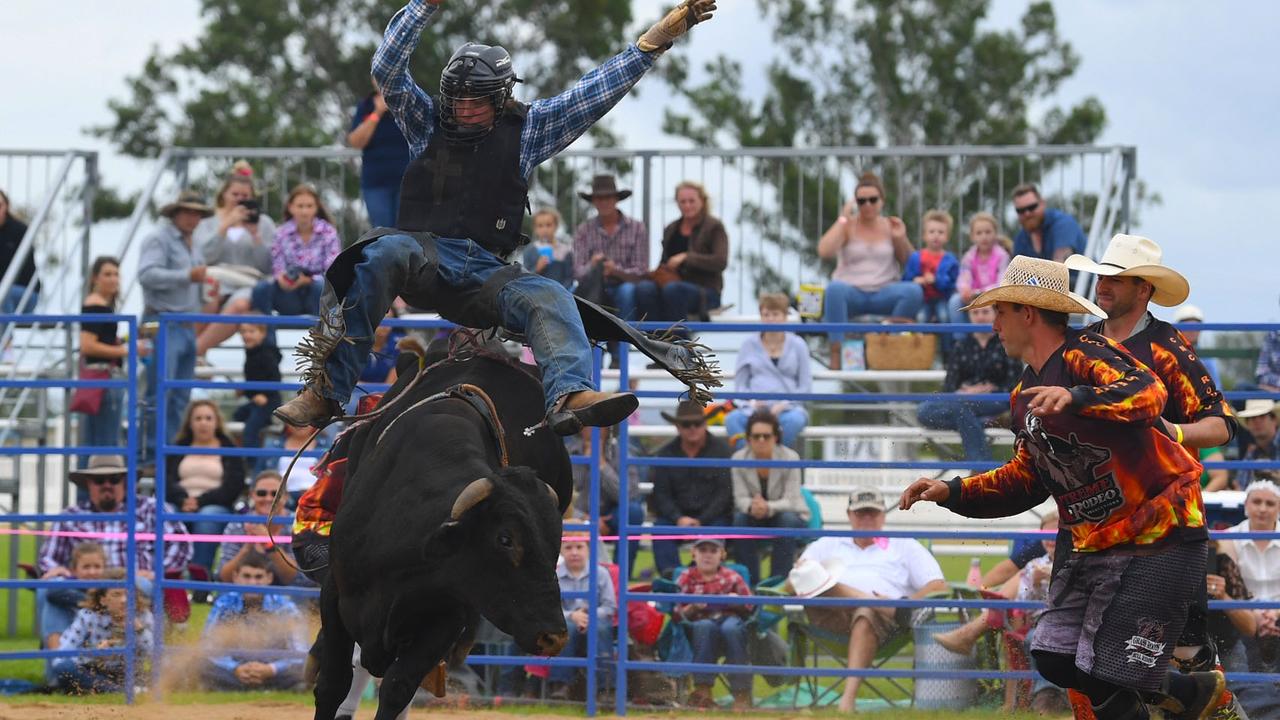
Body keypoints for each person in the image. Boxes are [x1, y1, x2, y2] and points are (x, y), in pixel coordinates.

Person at [273, 0, 719, 433]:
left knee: (549, 294)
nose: (464, 109)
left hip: (489, 271)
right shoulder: (424, 119)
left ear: (501, 97)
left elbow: (591, 95)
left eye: (477, 102)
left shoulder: (529, 129)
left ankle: (569, 397)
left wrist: (649, 45)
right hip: (422, 254)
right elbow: (387, 68)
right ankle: (326, 391)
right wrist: (423, 6)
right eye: (457, 99)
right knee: (383, 250)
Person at [899, 256, 1233, 720]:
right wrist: (952, 491)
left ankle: (1190, 693)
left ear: (1028, 314)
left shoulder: (1086, 354)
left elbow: (1149, 391)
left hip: (1158, 532)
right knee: (1054, 656)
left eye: (1001, 311)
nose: (993, 323)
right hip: (1096, 542)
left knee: (1108, 669)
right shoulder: (1024, 396)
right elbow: (1026, 478)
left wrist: (1077, 397)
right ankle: (1190, 693)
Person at [790, 486, 948, 712]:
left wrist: (910, 602)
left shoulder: (904, 545)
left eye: (872, 513)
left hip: (883, 626)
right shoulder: (827, 543)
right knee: (815, 576)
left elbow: (937, 584)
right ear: (848, 515)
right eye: (860, 513)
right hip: (831, 616)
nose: (866, 519)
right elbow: (795, 578)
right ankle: (879, 604)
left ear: (883, 515)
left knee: (866, 613)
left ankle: (848, 699)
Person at [935, 512, 1067, 712]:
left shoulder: (1074, 560)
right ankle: (1020, 702)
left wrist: (1050, 578)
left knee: (1039, 639)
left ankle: (1044, 699)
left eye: (1055, 534)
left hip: (1062, 624)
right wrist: (1033, 583)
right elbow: (1023, 599)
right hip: (1034, 622)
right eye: (1046, 534)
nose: (1050, 539)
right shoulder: (1034, 565)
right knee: (1018, 637)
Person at [818, 172, 923, 369]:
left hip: (884, 293)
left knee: (913, 292)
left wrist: (900, 237)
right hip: (852, 294)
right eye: (862, 201)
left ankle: (886, 344)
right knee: (834, 289)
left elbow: (910, 261)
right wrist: (842, 219)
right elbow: (824, 251)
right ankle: (837, 350)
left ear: (882, 201)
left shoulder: (890, 225)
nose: (867, 205)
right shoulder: (846, 226)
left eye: (873, 200)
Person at [139, 190, 215, 462]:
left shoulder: (191, 243)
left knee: (179, 395)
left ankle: (165, 455)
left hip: (182, 324)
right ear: (176, 213)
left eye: (197, 213)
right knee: (161, 393)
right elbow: (146, 275)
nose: (193, 217)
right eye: (189, 212)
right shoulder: (159, 238)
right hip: (163, 322)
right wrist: (187, 276)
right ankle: (149, 455)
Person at [39, 456, 193, 579]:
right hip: (84, 586)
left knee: (142, 587)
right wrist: (56, 570)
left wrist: (157, 573)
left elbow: (181, 544)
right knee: (52, 588)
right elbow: (48, 557)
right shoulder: (70, 516)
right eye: (99, 480)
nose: (107, 485)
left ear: (125, 482)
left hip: (135, 586)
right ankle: (91, 607)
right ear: (88, 484)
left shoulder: (150, 508)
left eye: (114, 479)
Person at [916, 302, 1022, 466]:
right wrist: (966, 392)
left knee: (958, 408)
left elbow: (1014, 384)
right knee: (924, 410)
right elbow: (950, 386)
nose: (980, 317)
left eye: (985, 312)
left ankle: (979, 465)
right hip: (962, 399)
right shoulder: (961, 346)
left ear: (995, 315)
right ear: (970, 316)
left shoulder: (1006, 342)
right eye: (976, 313)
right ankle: (981, 425)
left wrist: (985, 390)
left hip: (995, 399)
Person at [194, 161, 278, 357]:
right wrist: (224, 227)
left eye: (245, 196)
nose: (240, 200)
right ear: (224, 194)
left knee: (240, 306)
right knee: (209, 299)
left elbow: (267, 265)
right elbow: (202, 257)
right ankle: (193, 355)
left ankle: (194, 352)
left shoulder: (264, 223)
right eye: (235, 195)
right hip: (216, 280)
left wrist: (256, 236)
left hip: (248, 282)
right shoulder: (207, 222)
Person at [199, 552, 309, 691]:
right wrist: (235, 668)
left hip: (275, 669)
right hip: (234, 668)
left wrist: (271, 669)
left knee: (306, 667)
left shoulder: (285, 607)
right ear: (236, 577)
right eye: (246, 576)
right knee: (201, 664)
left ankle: (243, 686)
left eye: (258, 577)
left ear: (269, 578)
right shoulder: (224, 604)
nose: (252, 583)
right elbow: (207, 646)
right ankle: (263, 686)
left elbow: (300, 651)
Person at [648, 400, 733, 578]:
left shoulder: (722, 451)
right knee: (660, 529)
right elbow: (661, 494)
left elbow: (724, 494)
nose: (692, 428)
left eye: (698, 423)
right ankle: (673, 581)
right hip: (676, 519)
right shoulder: (666, 453)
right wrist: (678, 518)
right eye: (687, 424)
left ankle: (699, 579)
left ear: (705, 424)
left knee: (722, 528)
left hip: (712, 519)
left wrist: (701, 521)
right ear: (678, 427)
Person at [1220, 479, 1280, 719]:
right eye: (1256, 502)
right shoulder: (1227, 538)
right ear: (1245, 505)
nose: (1262, 509)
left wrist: (1274, 613)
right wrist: (1255, 615)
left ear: (1278, 508)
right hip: (1242, 619)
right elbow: (1232, 588)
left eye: (1269, 503)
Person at [165, 400, 247, 572]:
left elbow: (234, 485)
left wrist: (200, 501)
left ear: (216, 422)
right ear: (190, 423)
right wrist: (183, 500)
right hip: (180, 503)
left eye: (208, 418)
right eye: (198, 418)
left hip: (215, 505)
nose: (203, 423)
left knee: (207, 518)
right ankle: (172, 576)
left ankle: (199, 576)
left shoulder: (229, 448)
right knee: (167, 515)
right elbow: (166, 480)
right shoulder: (178, 448)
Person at [730, 410, 808, 587]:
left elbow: (792, 500)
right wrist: (752, 507)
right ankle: (750, 586)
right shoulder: (738, 459)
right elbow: (740, 499)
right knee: (740, 520)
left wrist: (767, 507)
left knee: (786, 520)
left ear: (776, 437)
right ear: (748, 439)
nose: (761, 441)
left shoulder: (790, 458)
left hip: (789, 516)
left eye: (766, 436)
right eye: (756, 436)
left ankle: (777, 586)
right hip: (753, 516)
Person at [724, 292, 811, 449]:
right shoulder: (748, 345)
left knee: (795, 421)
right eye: (766, 314)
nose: (770, 319)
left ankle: (770, 459)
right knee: (732, 420)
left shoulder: (798, 344)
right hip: (754, 409)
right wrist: (751, 402)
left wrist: (785, 404)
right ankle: (752, 461)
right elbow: (740, 384)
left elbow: (805, 385)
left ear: (785, 317)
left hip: (787, 410)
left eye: (775, 314)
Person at [674, 537, 753, 710]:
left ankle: (741, 694)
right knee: (705, 627)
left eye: (713, 551)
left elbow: (750, 608)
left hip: (731, 622)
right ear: (693, 554)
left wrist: (737, 602)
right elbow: (676, 613)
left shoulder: (733, 576)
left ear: (722, 555)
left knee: (732, 628)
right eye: (703, 551)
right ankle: (703, 691)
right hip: (697, 627)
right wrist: (693, 607)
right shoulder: (686, 577)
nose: (707, 555)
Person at [634, 181, 728, 322]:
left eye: (691, 201)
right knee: (644, 289)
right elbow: (664, 261)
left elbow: (720, 262)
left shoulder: (714, 227)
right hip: (671, 285)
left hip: (705, 291)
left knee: (673, 291)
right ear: (677, 203)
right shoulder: (671, 228)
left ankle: (679, 340)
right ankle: (654, 339)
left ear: (702, 201)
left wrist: (687, 257)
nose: (687, 205)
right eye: (682, 201)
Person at [77, 257, 142, 459]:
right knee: (107, 444)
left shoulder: (97, 305)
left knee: (92, 442)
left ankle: (86, 490)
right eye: (107, 274)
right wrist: (125, 350)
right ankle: (99, 489)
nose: (113, 279)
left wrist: (120, 343)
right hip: (104, 379)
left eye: (116, 274)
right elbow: (87, 345)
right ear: (95, 278)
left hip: (97, 379)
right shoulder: (97, 305)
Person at [50, 568, 153, 694]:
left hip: (131, 673)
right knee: (64, 668)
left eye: (128, 594)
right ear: (103, 600)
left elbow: (155, 654)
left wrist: (140, 630)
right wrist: (94, 654)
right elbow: (61, 655)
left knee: (173, 668)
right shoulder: (88, 616)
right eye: (116, 594)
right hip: (96, 672)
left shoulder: (143, 616)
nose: (124, 600)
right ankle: (120, 691)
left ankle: (118, 689)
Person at [250, 185, 340, 317]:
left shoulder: (329, 232)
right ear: (290, 207)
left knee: (320, 287)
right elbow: (277, 266)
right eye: (300, 206)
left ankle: (323, 336)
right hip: (288, 292)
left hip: (316, 292)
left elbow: (333, 270)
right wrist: (283, 279)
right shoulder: (281, 233)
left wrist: (308, 280)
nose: (304, 211)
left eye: (309, 206)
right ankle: (267, 336)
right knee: (261, 289)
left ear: (316, 208)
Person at [547, 533, 616, 701]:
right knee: (565, 629)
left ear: (588, 549)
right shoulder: (552, 575)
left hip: (596, 620)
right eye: (568, 548)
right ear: (561, 551)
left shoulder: (600, 573)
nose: (574, 552)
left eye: (579, 547)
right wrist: (573, 616)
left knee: (598, 629)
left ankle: (606, 688)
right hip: (566, 621)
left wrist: (590, 616)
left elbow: (610, 606)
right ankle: (560, 685)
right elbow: (549, 608)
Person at [564, 425, 643, 571]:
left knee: (633, 512)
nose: (593, 429)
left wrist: (601, 465)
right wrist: (586, 519)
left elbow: (628, 496)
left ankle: (620, 576)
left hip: (612, 517)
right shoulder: (567, 454)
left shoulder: (623, 454)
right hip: (576, 516)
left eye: (600, 425)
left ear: (609, 429)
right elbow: (563, 497)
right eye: (587, 424)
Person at [572, 175, 649, 323]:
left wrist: (615, 270)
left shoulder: (637, 228)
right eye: (600, 198)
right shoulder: (583, 230)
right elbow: (577, 272)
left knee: (627, 291)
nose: (604, 202)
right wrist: (593, 266)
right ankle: (589, 343)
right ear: (593, 201)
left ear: (616, 199)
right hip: (593, 287)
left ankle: (626, 340)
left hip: (624, 285)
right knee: (570, 294)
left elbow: (641, 270)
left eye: (608, 197)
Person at [216, 471, 299, 586]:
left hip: (290, 597)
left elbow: (296, 579)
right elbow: (225, 578)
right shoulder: (237, 525)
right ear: (252, 495)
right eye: (261, 493)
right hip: (244, 595)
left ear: (286, 497)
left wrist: (270, 545)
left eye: (275, 494)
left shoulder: (297, 525)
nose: (269, 498)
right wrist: (247, 547)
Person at [348, 80, 412, 227]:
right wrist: (377, 112)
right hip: (375, 184)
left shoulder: (410, 102)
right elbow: (356, 141)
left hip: (407, 182)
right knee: (381, 232)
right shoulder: (366, 105)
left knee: (406, 232)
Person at [38, 542, 108, 657]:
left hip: (100, 647)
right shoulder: (71, 584)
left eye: (97, 567)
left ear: (104, 569)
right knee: (53, 595)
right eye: (86, 567)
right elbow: (54, 592)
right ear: (74, 570)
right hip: (73, 641)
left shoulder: (108, 589)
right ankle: (59, 661)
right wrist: (91, 602)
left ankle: (61, 663)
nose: (92, 572)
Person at [947, 212, 1011, 330]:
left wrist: (982, 292)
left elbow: (1002, 281)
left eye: (988, 232)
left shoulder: (1002, 256)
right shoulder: (969, 257)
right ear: (972, 236)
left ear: (995, 234)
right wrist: (964, 289)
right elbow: (964, 276)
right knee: (954, 302)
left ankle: (998, 337)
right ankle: (961, 339)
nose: (984, 236)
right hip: (972, 295)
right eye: (979, 233)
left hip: (994, 296)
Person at [902, 209, 959, 325]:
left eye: (941, 232)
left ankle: (946, 344)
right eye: (931, 232)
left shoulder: (950, 260)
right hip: (922, 299)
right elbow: (905, 279)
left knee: (944, 317)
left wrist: (936, 280)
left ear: (947, 237)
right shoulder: (916, 257)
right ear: (924, 235)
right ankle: (923, 343)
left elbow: (953, 284)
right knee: (921, 318)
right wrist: (916, 281)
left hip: (942, 299)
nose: (936, 235)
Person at [231, 322, 282, 449]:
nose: (246, 335)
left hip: (269, 401)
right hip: (256, 399)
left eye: (251, 331)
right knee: (238, 415)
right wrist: (245, 391)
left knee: (250, 429)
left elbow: (275, 378)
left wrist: (264, 394)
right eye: (243, 332)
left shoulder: (267, 354)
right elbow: (254, 378)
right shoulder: (251, 352)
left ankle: (252, 463)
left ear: (263, 334)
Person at [1009, 183, 1086, 262]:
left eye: (1032, 207)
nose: (1027, 214)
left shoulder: (1063, 224)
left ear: (1042, 203)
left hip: (1081, 274)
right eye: (1021, 211)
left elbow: (1059, 264)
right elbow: (1017, 272)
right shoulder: (1021, 239)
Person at [0, 188, 37, 313]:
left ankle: (5, 333)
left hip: (26, 293)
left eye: (0, 205)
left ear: (7, 206)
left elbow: (25, 271)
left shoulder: (20, 230)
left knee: (4, 294)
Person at [522, 207, 574, 289]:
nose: (545, 229)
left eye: (548, 225)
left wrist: (561, 290)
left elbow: (569, 277)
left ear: (556, 226)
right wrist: (537, 269)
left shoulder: (565, 251)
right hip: (535, 293)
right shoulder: (530, 250)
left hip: (559, 294)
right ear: (535, 229)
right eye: (540, 226)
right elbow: (524, 277)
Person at [1172, 304, 1223, 388]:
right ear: (1179, 328)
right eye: (1187, 326)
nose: (1192, 331)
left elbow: (1217, 387)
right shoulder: (1169, 353)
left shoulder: (1207, 358)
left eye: (1196, 326)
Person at [1234, 400, 1280, 491]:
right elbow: (1241, 486)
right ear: (1248, 424)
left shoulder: (1251, 451)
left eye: (1262, 416)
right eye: (1252, 418)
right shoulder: (1251, 451)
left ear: (1274, 420)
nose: (1257, 422)